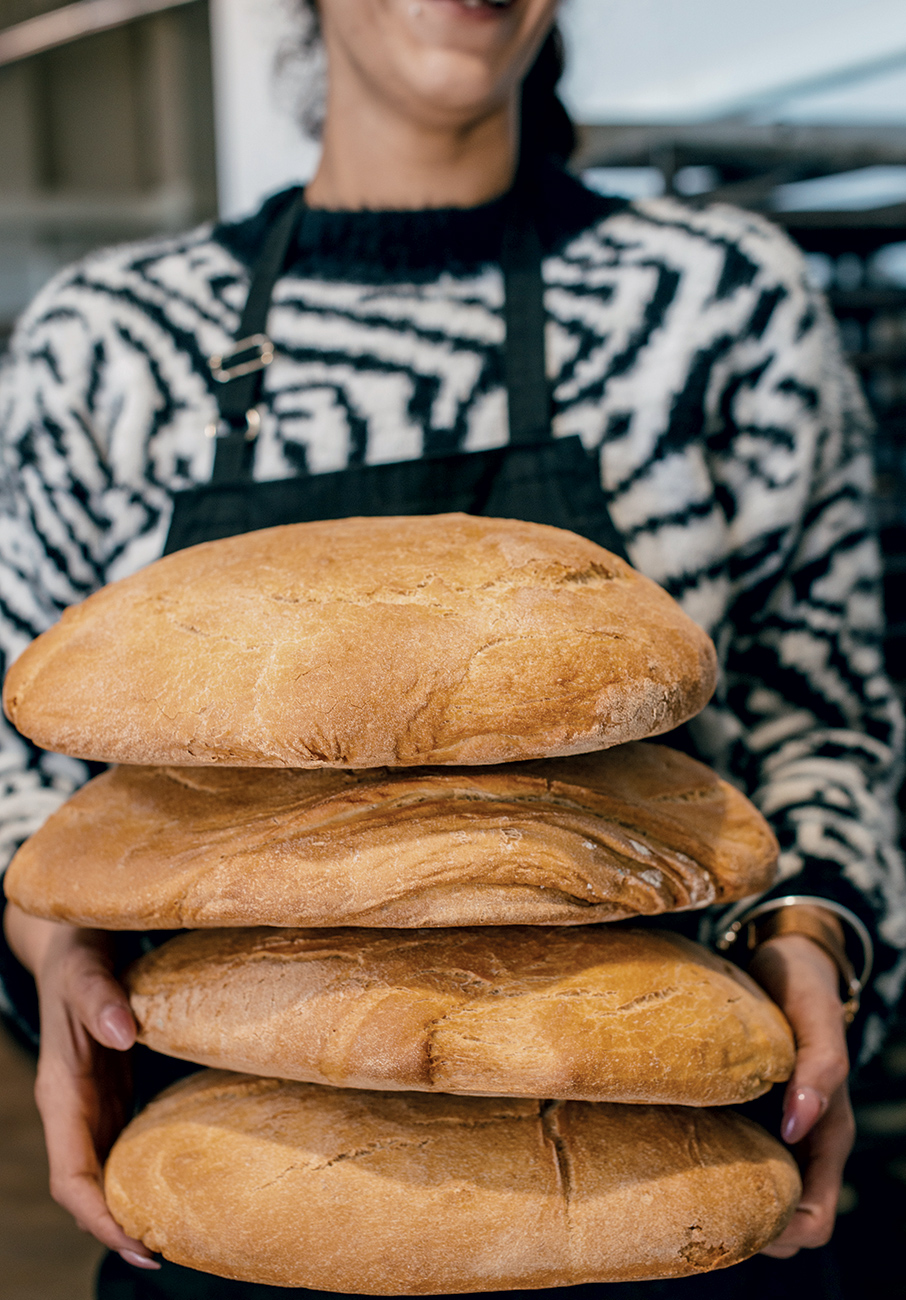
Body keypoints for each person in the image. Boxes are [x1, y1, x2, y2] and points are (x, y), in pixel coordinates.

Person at [0, 1, 903, 1296]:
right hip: (234, 1160)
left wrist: (812, 933)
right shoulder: (109, 343)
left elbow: (819, 714)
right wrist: (58, 954)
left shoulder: (717, 299)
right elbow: (25, 774)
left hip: (651, 1177)